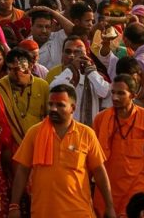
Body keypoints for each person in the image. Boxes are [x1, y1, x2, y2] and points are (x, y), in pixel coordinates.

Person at [8, 84, 117, 218]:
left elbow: (99, 172)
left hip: (79, 212)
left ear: (73, 108)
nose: (53, 109)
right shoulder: (34, 132)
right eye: (51, 104)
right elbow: (22, 170)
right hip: (43, 212)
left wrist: (109, 206)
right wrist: (14, 205)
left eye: (60, 105)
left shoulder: (86, 134)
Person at [91, 74, 144, 217]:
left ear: (133, 95)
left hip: (136, 188)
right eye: (113, 92)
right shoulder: (101, 119)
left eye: (121, 93)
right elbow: (92, 159)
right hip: (107, 189)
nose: (115, 98)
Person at [0, 48, 48, 144]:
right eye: (10, 69)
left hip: (36, 144)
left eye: (17, 69)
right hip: (7, 147)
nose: (13, 73)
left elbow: (49, 118)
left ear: (30, 66)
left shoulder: (43, 86)